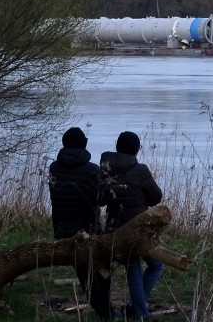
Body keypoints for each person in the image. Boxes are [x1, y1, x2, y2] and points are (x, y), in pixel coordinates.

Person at [49, 127, 114, 320]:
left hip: (61, 228)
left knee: (84, 270)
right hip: (89, 228)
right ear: (84, 144)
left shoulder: (54, 167)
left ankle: (105, 310)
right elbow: (101, 200)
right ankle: (106, 312)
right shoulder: (92, 170)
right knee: (100, 266)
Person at [100, 131, 164, 322]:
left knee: (132, 264)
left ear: (117, 146)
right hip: (139, 229)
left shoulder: (105, 167)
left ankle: (138, 310)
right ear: (137, 149)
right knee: (157, 264)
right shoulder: (141, 170)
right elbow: (156, 198)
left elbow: (101, 200)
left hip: (114, 228)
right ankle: (139, 309)